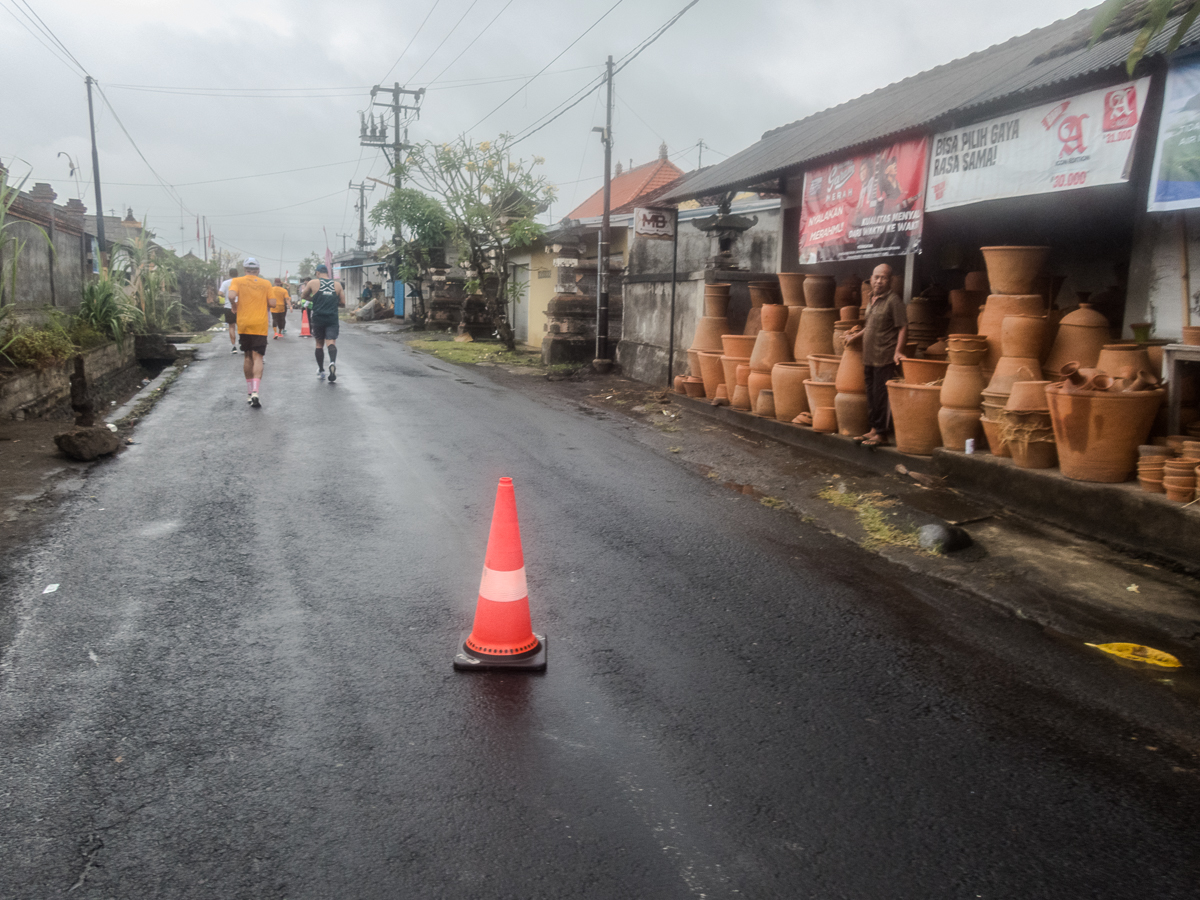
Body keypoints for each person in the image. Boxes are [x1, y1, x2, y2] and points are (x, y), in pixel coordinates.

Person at [845, 263, 907, 447]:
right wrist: (854, 335)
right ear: (871, 279)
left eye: (883, 278)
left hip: (885, 357)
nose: (879, 281)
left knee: (881, 397)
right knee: (871, 395)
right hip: (869, 357)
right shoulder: (871, 298)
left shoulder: (893, 301)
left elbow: (903, 326)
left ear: (890, 280)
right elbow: (869, 326)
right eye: (876, 277)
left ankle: (881, 434)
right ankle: (873, 430)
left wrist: (898, 351)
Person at [227, 257, 273, 408]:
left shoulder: (238, 281)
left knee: (247, 356)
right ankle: (255, 391)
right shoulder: (266, 283)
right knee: (258, 357)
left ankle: (248, 393)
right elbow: (273, 303)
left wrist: (234, 305)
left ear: (244, 270)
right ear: (258, 271)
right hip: (260, 324)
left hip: (244, 323)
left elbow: (231, 296)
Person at [301, 263, 345, 382]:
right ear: (327, 273)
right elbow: (343, 303)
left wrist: (315, 298)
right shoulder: (337, 285)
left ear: (317, 273)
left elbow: (303, 296)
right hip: (332, 318)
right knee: (331, 342)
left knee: (319, 344)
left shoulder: (312, 283)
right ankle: (332, 362)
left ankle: (321, 370)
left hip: (318, 318)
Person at [218, 267, 239, 353]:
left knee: (231, 327)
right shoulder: (240, 283)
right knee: (242, 327)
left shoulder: (225, 283)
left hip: (228, 306)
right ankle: (242, 343)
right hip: (240, 307)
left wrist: (225, 296)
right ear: (237, 274)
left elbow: (220, 293)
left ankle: (234, 347)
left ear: (229, 274)